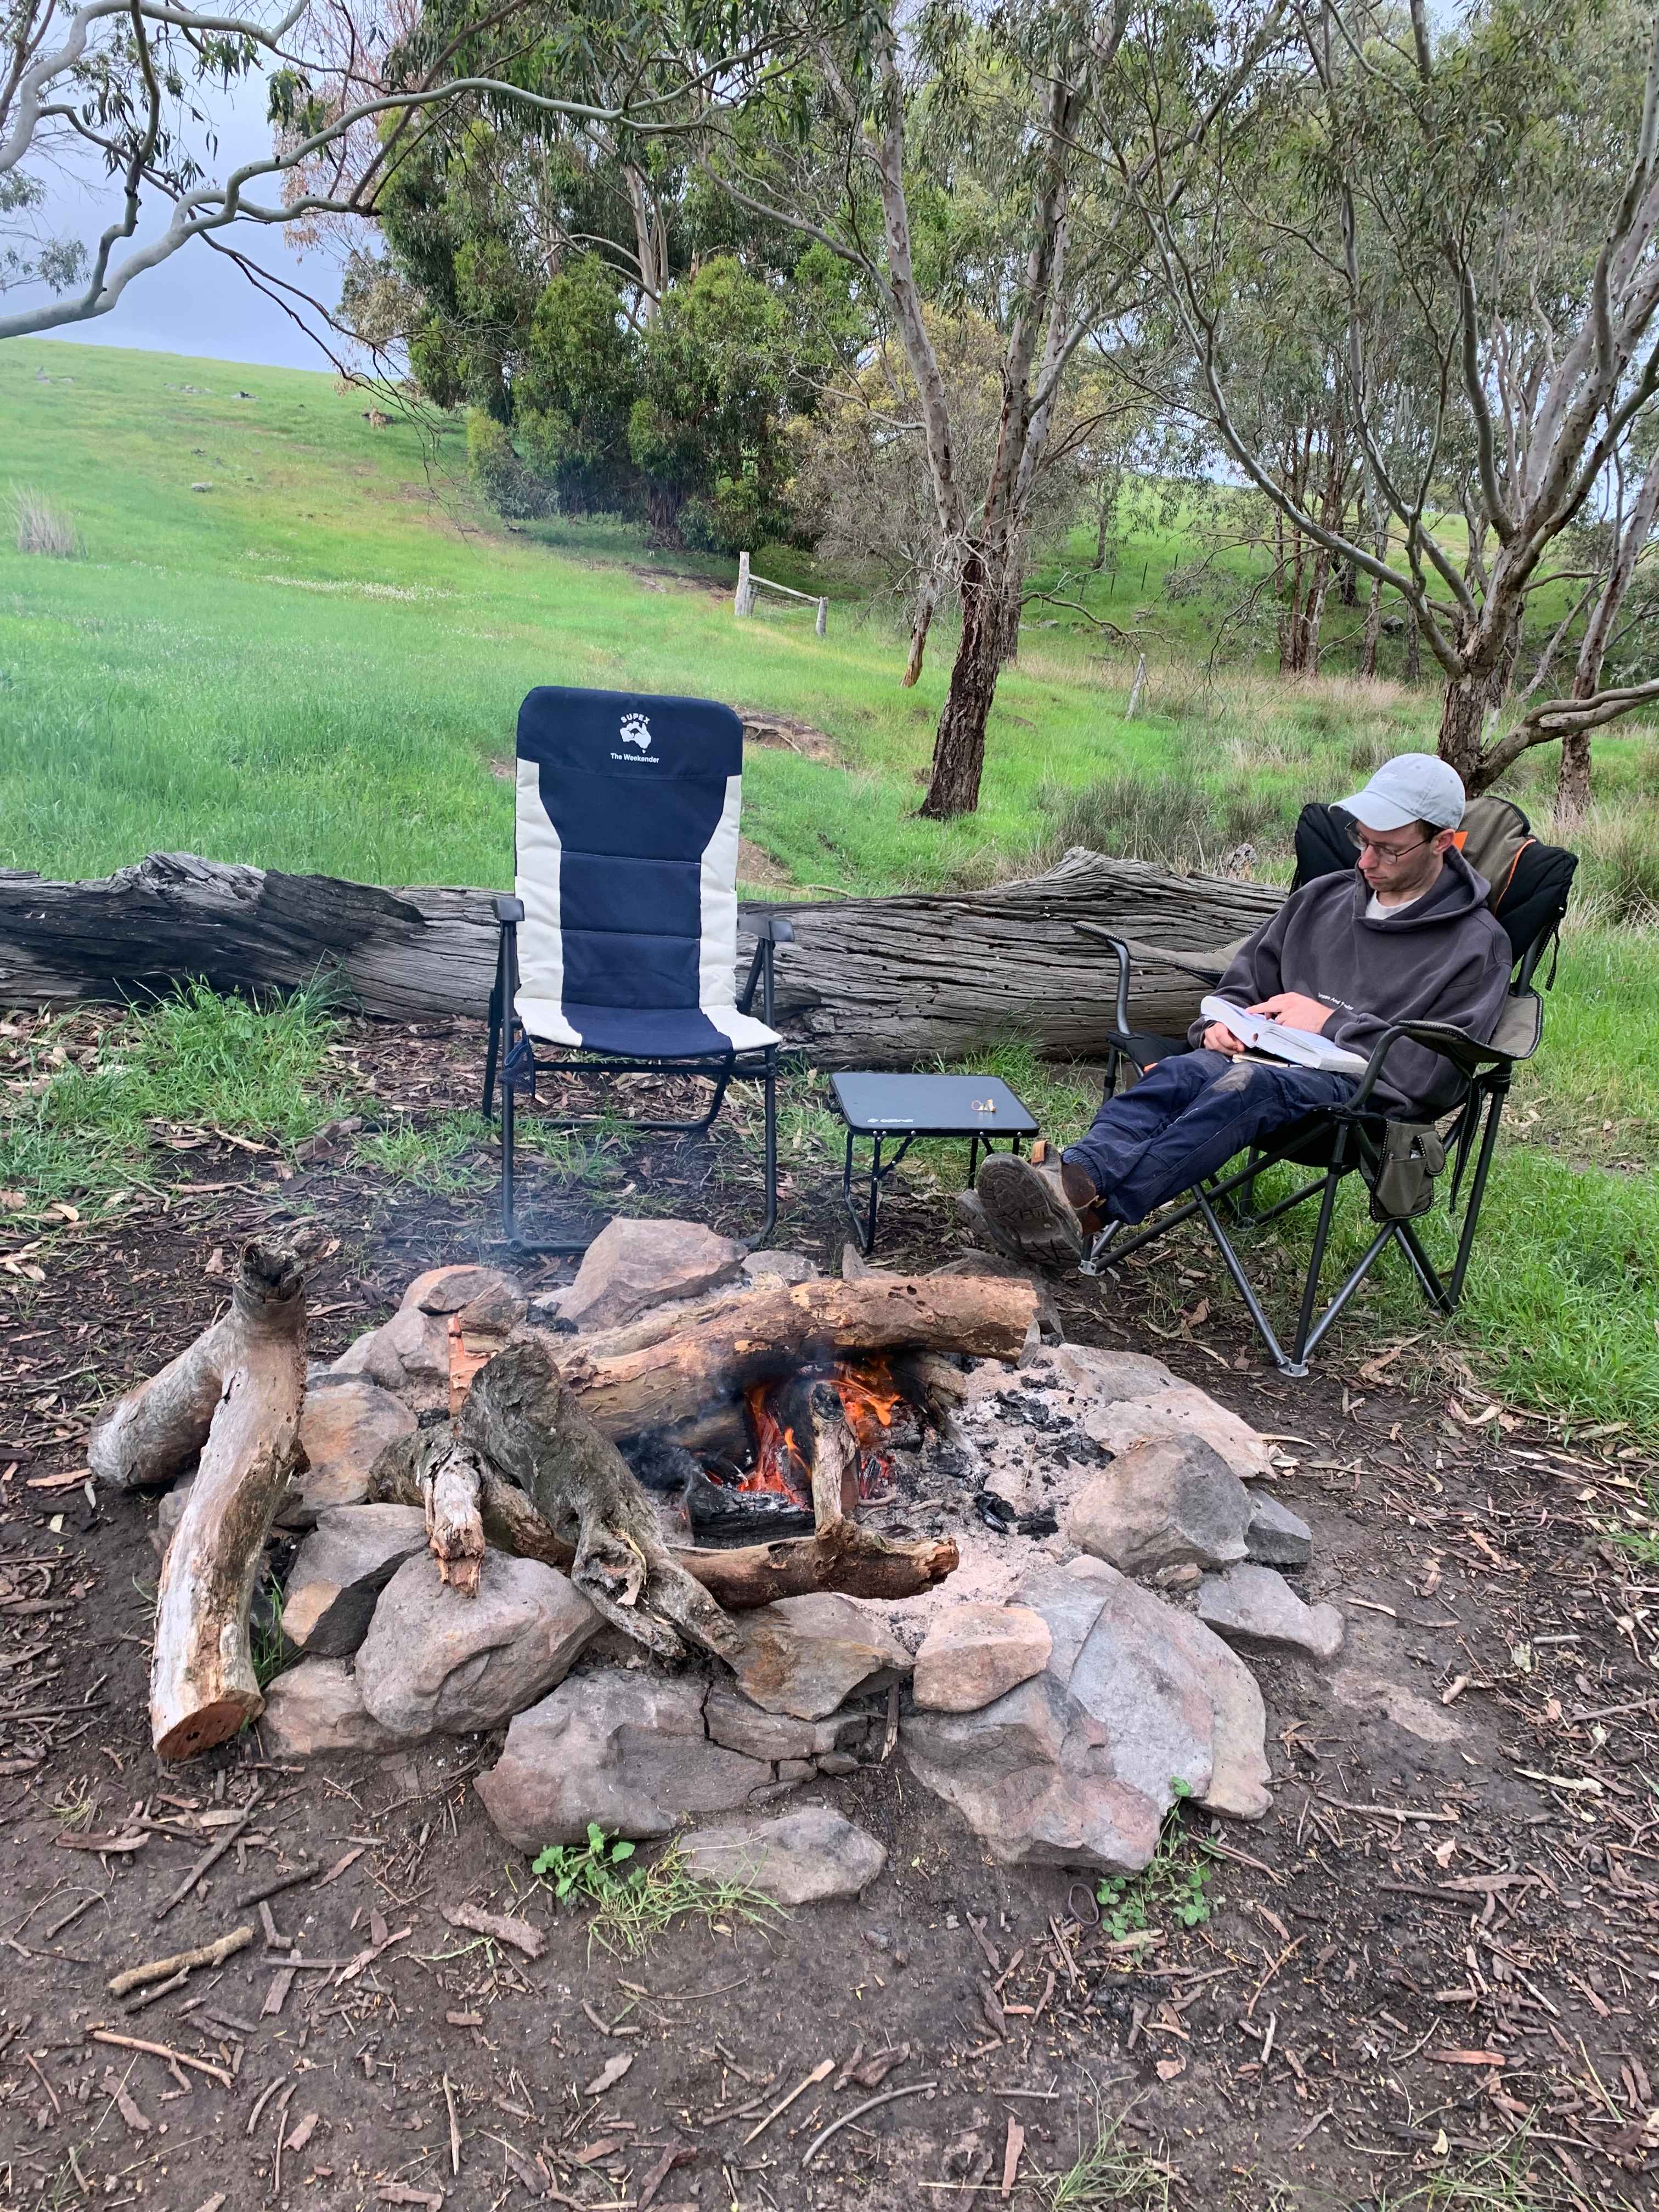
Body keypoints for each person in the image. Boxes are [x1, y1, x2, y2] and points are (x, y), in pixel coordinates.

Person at [975, 753, 1514, 1266]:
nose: (1365, 861)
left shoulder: (1475, 943)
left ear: (1443, 841)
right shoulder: (1322, 898)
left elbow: (1436, 1070)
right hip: (1261, 1057)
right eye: (1362, 840)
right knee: (1179, 1075)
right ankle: (1067, 1185)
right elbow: (1244, 980)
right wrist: (1219, 1025)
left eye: (1388, 849)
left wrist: (1330, 1022)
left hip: (1361, 1095)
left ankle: (1082, 1215)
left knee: (1247, 1087)